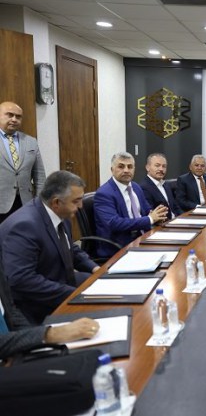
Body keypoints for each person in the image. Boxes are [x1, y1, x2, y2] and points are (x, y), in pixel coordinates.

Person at [0, 171, 100, 324]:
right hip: (35, 303)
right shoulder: (24, 226)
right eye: (76, 201)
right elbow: (22, 280)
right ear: (56, 202)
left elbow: (70, 248)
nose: (80, 206)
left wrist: (94, 268)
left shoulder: (60, 214)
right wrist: (75, 295)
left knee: (103, 287)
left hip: (61, 279)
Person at [0, 262, 99, 359]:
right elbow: (22, 279)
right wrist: (49, 334)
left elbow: (11, 311)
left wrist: (33, 339)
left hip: (14, 348)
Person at [95, 152, 168, 258]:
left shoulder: (136, 187)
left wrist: (157, 216)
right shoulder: (104, 193)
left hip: (142, 237)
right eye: (121, 166)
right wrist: (150, 219)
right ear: (112, 169)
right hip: (120, 245)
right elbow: (114, 223)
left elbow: (147, 209)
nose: (126, 170)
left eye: (130, 167)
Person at [0, 101, 46, 224]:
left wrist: (39, 203)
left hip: (25, 204)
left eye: (18, 116)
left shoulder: (31, 141)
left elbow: (40, 176)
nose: (14, 119)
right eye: (9, 115)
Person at [140, 153, 182, 221]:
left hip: (176, 221)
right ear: (147, 167)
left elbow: (175, 206)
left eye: (164, 166)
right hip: (163, 224)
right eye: (157, 165)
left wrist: (183, 217)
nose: (161, 169)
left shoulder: (166, 184)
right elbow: (151, 214)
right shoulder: (144, 188)